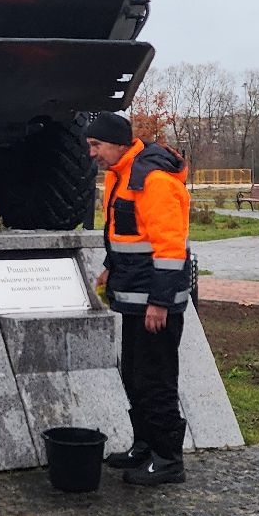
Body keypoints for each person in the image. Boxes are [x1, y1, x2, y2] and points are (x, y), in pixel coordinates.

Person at [83, 110, 192, 487]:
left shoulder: (153, 180)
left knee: (156, 379)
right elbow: (127, 233)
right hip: (136, 298)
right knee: (134, 375)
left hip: (155, 304)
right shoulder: (121, 174)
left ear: (117, 144)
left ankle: (168, 460)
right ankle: (145, 446)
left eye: (96, 145)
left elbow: (170, 248)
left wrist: (160, 302)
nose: (92, 153)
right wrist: (109, 267)